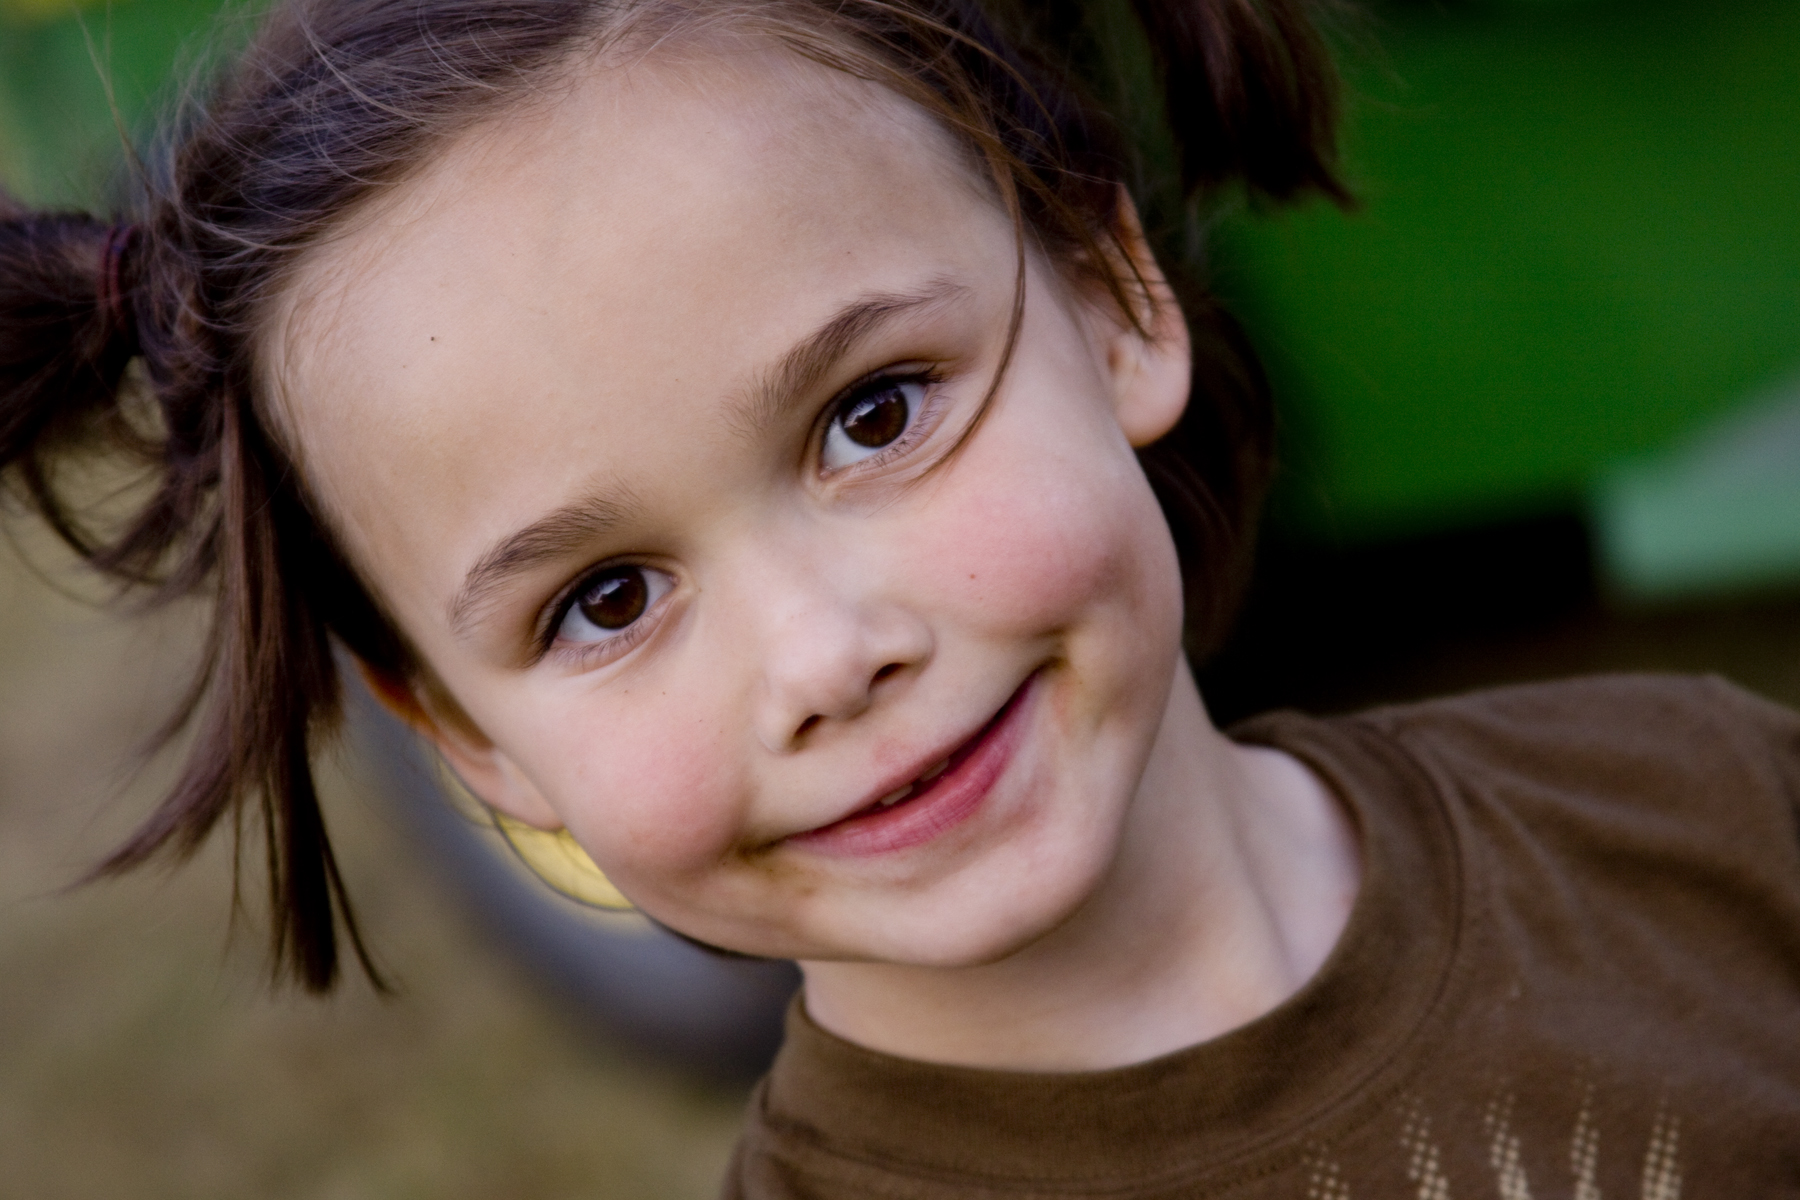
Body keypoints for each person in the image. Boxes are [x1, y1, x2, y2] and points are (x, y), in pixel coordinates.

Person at [2, 0, 1796, 1194]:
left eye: (873, 416)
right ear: (469, 736)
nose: (824, 656)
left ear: (1115, 298)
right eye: (606, 600)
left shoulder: (1709, 805)